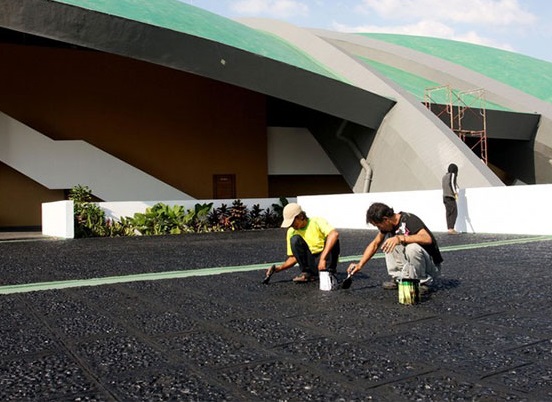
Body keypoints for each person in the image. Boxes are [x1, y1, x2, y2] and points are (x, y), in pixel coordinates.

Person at [347, 202, 442, 292]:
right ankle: (399, 278)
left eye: (379, 226)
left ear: (385, 219)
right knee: (389, 243)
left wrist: (400, 238)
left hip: (431, 266)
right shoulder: (389, 226)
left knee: (411, 247)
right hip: (414, 266)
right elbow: (375, 244)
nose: (379, 229)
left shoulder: (409, 219)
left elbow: (427, 238)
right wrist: (360, 265)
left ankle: (421, 282)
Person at [263, 203, 340, 283]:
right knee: (295, 239)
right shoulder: (291, 231)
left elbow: (334, 234)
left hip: (326, 260)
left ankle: (329, 272)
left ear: (301, 217)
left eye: (293, 222)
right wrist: (279, 268)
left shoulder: (317, 221)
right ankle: (308, 273)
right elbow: (294, 257)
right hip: (312, 262)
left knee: (332, 239)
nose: (291, 226)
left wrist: (323, 258)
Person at [442, 163, 460, 234]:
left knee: (448, 212)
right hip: (450, 196)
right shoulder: (452, 174)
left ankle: (449, 228)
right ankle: (451, 229)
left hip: (444, 196)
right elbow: (452, 183)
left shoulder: (444, 176)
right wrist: (455, 193)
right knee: (454, 212)